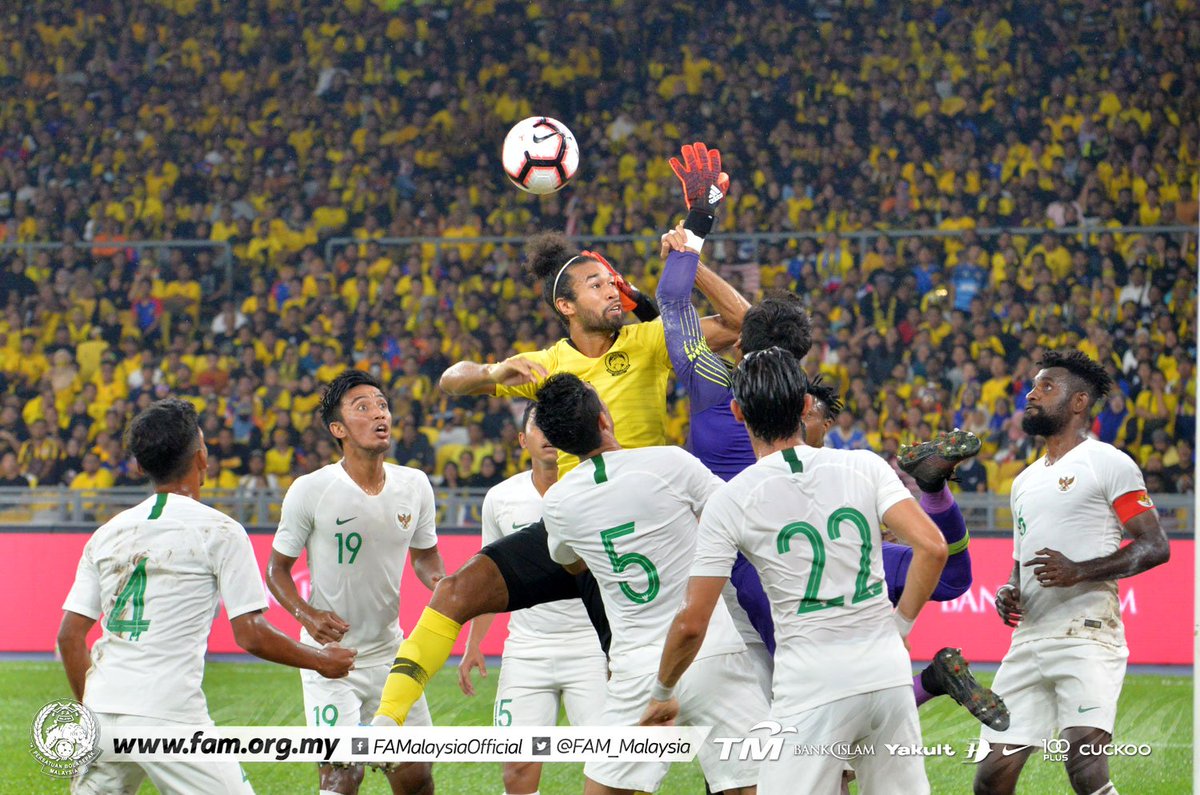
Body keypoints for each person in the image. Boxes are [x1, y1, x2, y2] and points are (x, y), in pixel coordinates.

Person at [373, 141, 742, 727]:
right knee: (454, 593)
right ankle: (384, 725)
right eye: (597, 285)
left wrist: (689, 263)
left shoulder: (646, 341)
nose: (612, 290)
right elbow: (450, 381)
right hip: (575, 529)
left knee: (664, 699)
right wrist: (494, 372)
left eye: (613, 280)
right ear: (566, 306)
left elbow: (746, 324)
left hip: (645, 528)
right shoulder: (544, 362)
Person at [656, 225, 1003, 730]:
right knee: (952, 577)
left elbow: (673, 302)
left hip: (765, 569)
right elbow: (752, 323)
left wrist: (687, 252)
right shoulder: (807, 402)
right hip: (839, 544)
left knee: (809, 725)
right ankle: (933, 490)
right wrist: (900, 629)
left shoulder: (714, 387)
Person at [640, 348, 948, 795]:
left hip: (812, 682)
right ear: (806, 406)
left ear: (737, 411)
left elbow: (692, 621)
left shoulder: (731, 500)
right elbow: (933, 547)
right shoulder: (865, 465)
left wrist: (664, 691)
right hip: (887, 674)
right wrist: (899, 625)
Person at [58, 398, 357, 795]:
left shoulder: (107, 533)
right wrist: (322, 661)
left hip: (101, 709)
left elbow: (69, 636)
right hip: (167, 714)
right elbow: (250, 633)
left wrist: (94, 709)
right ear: (203, 458)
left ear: (140, 467)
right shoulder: (221, 531)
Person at [536, 373, 766, 795]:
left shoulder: (559, 502)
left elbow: (571, 564)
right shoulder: (670, 464)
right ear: (605, 419)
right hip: (714, 651)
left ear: (560, 444)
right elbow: (737, 517)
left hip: (640, 669)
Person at [974, 350, 1170, 795]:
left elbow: (1155, 545)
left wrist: (1081, 570)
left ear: (1079, 402)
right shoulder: (1023, 481)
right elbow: (1019, 564)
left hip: (1087, 634)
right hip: (1028, 641)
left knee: (1085, 769)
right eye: (1034, 385)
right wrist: (1011, 589)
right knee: (989, 779)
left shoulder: (1108, 462)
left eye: (1046, 387)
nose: (1031, 393)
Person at [266, 371, 444, 795]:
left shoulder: (414, 485)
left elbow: (425, 556)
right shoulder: (311, 490)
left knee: (416, 778)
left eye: (381, 404)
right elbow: (276, 570)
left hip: (391, 657)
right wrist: (305, 614)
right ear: (338, 429)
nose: (379, 413)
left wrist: (443, 583)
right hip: (330, 662)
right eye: (362, 408)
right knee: (342, 775)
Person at [457, 403, 607, 795]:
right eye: (539, 427)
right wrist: (474, 644)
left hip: (590, 647)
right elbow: (491, 578)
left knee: (610, 764)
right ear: (523, 440)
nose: (549, 434)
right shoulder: (500, 499)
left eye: (556, 424)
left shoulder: (596, 491)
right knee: (518, 770)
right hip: (527, 650)